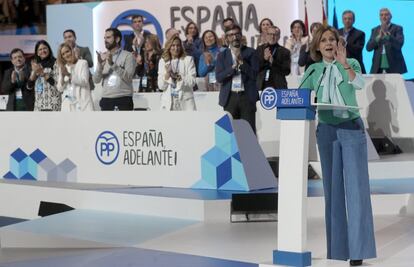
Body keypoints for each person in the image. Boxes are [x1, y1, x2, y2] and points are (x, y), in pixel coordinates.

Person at [300, 25, 376, 266]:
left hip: (351, 129)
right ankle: (338, 248)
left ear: (338, 44)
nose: (329, 43)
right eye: (324, 40)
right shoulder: (313, 69)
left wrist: (344, 63)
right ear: (317, 46)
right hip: (327, 132)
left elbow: (359, 84)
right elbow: (300, 95)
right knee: (332, 192)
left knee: (356, 192)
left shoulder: (350, 64)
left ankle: (358, 250)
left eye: (332, 39)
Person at [216, 24, 259, 133]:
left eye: (236, 34)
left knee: (248, 132)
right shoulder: (222, 55)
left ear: (241, 36)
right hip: (230, 97)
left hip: (247, 97)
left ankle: (249, 151)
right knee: (230, 133)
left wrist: (243, 63)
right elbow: (219, 77)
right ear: (226, 38)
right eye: (231, 35)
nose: (234, 37)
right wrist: (232, 68)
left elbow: (255, 75)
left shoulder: (251, 52)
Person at [93, 28, 136, 110]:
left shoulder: (128, 56)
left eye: (108, 37)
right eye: (104, 38)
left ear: (117, 39)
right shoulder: (103, 56)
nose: (105, 40)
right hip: (106, 99)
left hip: (123, 98)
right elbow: (96, 80)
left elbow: (129, 78)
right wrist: (100, 65)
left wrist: (112, 64)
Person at [157, 36, 196, 111]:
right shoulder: (163, 61)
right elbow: (161, 86)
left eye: (178, 45)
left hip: (185, 102)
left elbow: (192, 82)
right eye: (173, 45)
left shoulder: (188, 60)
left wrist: (178, 76)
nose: (176, 48)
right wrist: (167, 74)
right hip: (169, 103)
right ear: (169, 46)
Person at [366, 8, 407, 74]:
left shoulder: (397, 28)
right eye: (381, 15)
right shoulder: (375, 30)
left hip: (394, 66)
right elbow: (368, 48)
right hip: (377, 67)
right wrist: (378, 37)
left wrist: (388, 36)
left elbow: (399, 45)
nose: (383, 17)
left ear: (391, 17)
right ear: (379, 17)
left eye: (386, 15)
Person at [56, 43, 94, 111]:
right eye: (63, 54)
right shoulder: (63, 67)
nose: (66, 55)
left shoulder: (83, 63)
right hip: (68, 105)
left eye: (67, 51)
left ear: (72, 50)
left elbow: (84, 81)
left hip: (83, 103)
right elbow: (60, 89)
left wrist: (68, 75)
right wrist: (62, 77)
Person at [27, 40, 61, 111]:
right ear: (37, 53)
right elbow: (29, 86)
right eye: (40, 49)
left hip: (53, 104)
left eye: (45, 48)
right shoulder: (35, 64)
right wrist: (34, 72)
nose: (43, 51)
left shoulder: (56, 63)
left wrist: (43, 73)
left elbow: (58, 85)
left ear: (49, 49)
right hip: (39, 105)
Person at [257, 26, 291, 90]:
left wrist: (274, 62)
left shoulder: (285, 52)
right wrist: (264, 59)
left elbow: (287, 71)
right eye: (270, 34)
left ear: (279, 37)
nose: (272, 37)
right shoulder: (260, 49)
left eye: (275, 34)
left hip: (278, 86)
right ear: (266, 35)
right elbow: (255, 68)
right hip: (261, 86)